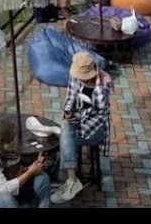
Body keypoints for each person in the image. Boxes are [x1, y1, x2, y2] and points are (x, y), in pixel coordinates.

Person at [50, 52, 110, 204]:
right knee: (66, 128)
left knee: (65, 133)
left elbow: (100, 114)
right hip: (77, 122)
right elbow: (70, 97)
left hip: (95, 129)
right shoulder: (75, 75)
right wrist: (67, 111)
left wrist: (77, 119)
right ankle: (70, 179)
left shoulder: (103, 84)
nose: (81, 80)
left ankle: (68, 178)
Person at [0, 116, 51, 208]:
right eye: (12, 140)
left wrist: (30, 168)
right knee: (7, 200)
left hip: (8, 184)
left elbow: (12, 170)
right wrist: (30, 172)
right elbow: (4, 189)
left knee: (43, 178)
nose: (14, 142)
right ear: (3, 141)